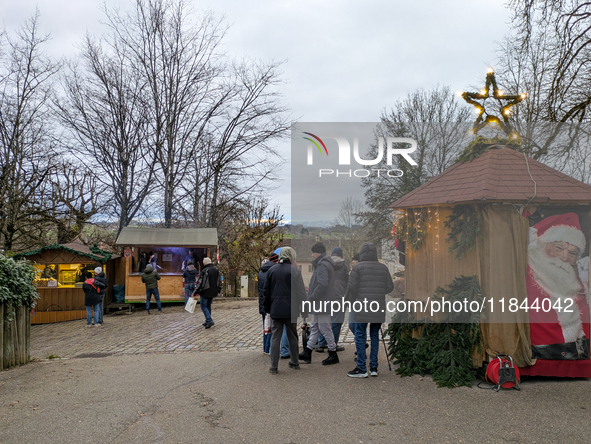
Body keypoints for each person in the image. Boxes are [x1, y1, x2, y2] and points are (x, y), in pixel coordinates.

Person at [524, 212, 591, 377]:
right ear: (544, 245)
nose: (564, 257)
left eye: (572, 253)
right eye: (559, 248)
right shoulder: (529, 272)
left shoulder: (572, 280)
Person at [346, 242, 394, 378]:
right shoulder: (383, 268)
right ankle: (373, 367)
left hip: (362, 306)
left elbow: (352, 288)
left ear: (362, 254)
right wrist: (378, 292)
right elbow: (390, 287)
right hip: (378, 307)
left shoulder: (357, 268)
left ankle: (361, 368)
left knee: (360, 335)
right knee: (374, 336)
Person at [263, 247, 307, 374]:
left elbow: (266, 292)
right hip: (291, 310)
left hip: (275, 309)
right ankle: (295, 362)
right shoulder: (295, 271)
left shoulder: (271, 271)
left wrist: (267, 308)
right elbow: (301, 293)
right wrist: (304, 310)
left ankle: (273, 366)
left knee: (275, 337)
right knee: (292, 335)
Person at [298, 242, 339, 366]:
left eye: (313, 252)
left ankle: (333, 352)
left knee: (324, 328)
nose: (312, 255)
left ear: (318, 253)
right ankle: (308, 351)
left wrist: (312, 296)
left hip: (321, 302)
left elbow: (322, 284)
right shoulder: (325, 264)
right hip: (322, 302)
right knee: (315, 327)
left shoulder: (322, 265)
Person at [317, 247, 349, 353]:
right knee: (336, 321)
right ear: (341, 256)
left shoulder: (326, 264)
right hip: (339, 297)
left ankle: (321, 344)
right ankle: (333, 345)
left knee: (325, 321)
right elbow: (349, 280)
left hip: (326, 296)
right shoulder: (344, 265)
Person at [258, 253, 279, 354]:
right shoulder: (273, 271)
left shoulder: (261, 271)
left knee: (265, 326)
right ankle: (269, 347)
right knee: (272, 327)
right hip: (271, 302)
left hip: (263, 302)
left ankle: (265, 348)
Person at [195, 257, 221, 328]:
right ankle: (207, 321)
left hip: (205, 291)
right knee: (208, 305)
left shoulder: (204, 270)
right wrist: (218, 290)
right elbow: (219, 282)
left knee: (203, 306)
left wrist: (195, 291)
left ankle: (209, 320)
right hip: (213, 291)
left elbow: (200, 282)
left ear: (204, 263)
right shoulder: (216, 270)